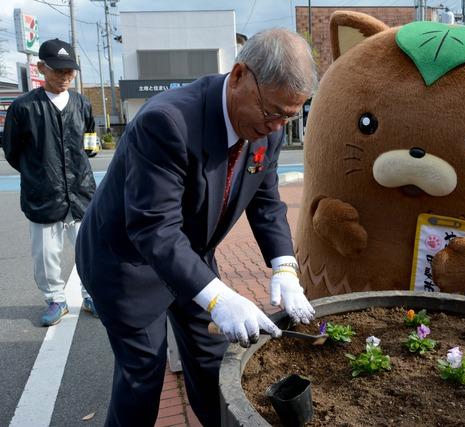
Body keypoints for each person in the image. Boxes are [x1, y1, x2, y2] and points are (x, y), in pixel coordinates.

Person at [75, 28, 317, 426]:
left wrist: (286, 268)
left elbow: (266, 201)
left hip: (190, 255)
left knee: (214, 359)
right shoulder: (167, 122)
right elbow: (154, 228)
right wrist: (220, 298)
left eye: (290, 117)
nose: (277, 127)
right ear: (239, 75)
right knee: (143, 376)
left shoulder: (265, 131)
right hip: (127, 263)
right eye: (272, 112)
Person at [2, 38, 98, 326]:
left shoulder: (82, 102)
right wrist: (38, 175)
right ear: (41, 67)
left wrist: (89, 151)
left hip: (82, 192)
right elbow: (12, 150)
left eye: (70, 71)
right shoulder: (23, 107)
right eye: (58, 71)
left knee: (90, 250)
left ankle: (91, 295)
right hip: (42, 194)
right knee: (46, 255)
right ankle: (56, 299)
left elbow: (90, 136)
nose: (66, 77)